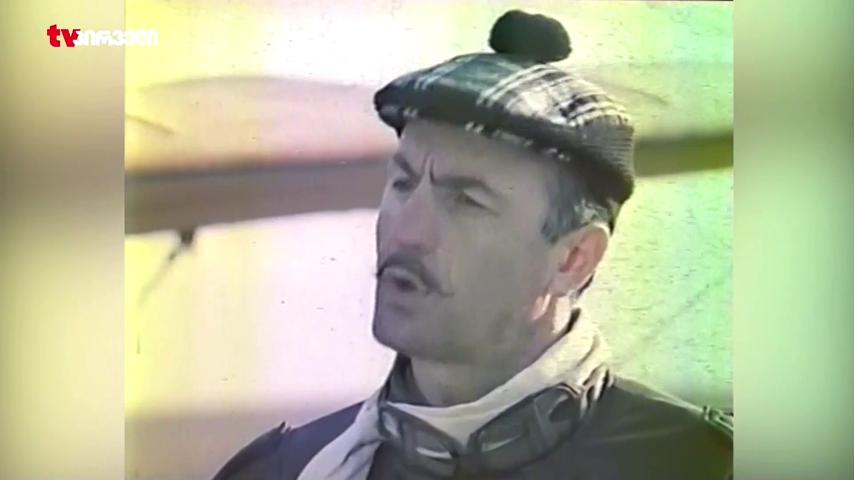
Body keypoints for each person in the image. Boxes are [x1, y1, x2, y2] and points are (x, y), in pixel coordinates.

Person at [214, 10, 732, 480]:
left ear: (574, 259)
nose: (406, 231)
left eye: (466, 200)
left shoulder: (697, 465)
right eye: (403, 183)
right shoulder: (286, 471)